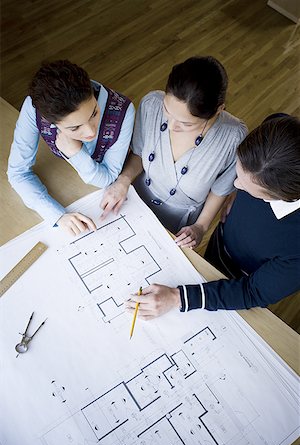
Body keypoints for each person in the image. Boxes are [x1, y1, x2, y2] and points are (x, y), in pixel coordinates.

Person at [125, 115, 300, 319]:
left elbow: (253, 292)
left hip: (241, 276)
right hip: (221, 240)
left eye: (248, 187)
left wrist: (176, 297)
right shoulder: (278, 129)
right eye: (239, 174)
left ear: (284, 195)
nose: (235, 185)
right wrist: (239, 192)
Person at [100, 56, 248, 248]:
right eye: (167, 110)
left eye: (186, 123)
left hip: (178, 220)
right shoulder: (151, 104)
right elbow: (138, 154)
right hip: (133, 198)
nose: (171, 125)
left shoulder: (233, 137)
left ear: (217, 111)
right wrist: (122, 181)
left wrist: (200, 227)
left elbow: (219, 191)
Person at [7, 60, 135, 235]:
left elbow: (108, 177)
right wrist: (56, 215)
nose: (90, 131)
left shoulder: (123, 111)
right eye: (75, 128)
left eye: (94, 113)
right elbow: (17, 173)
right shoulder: (34, 108)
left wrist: (75, 153)